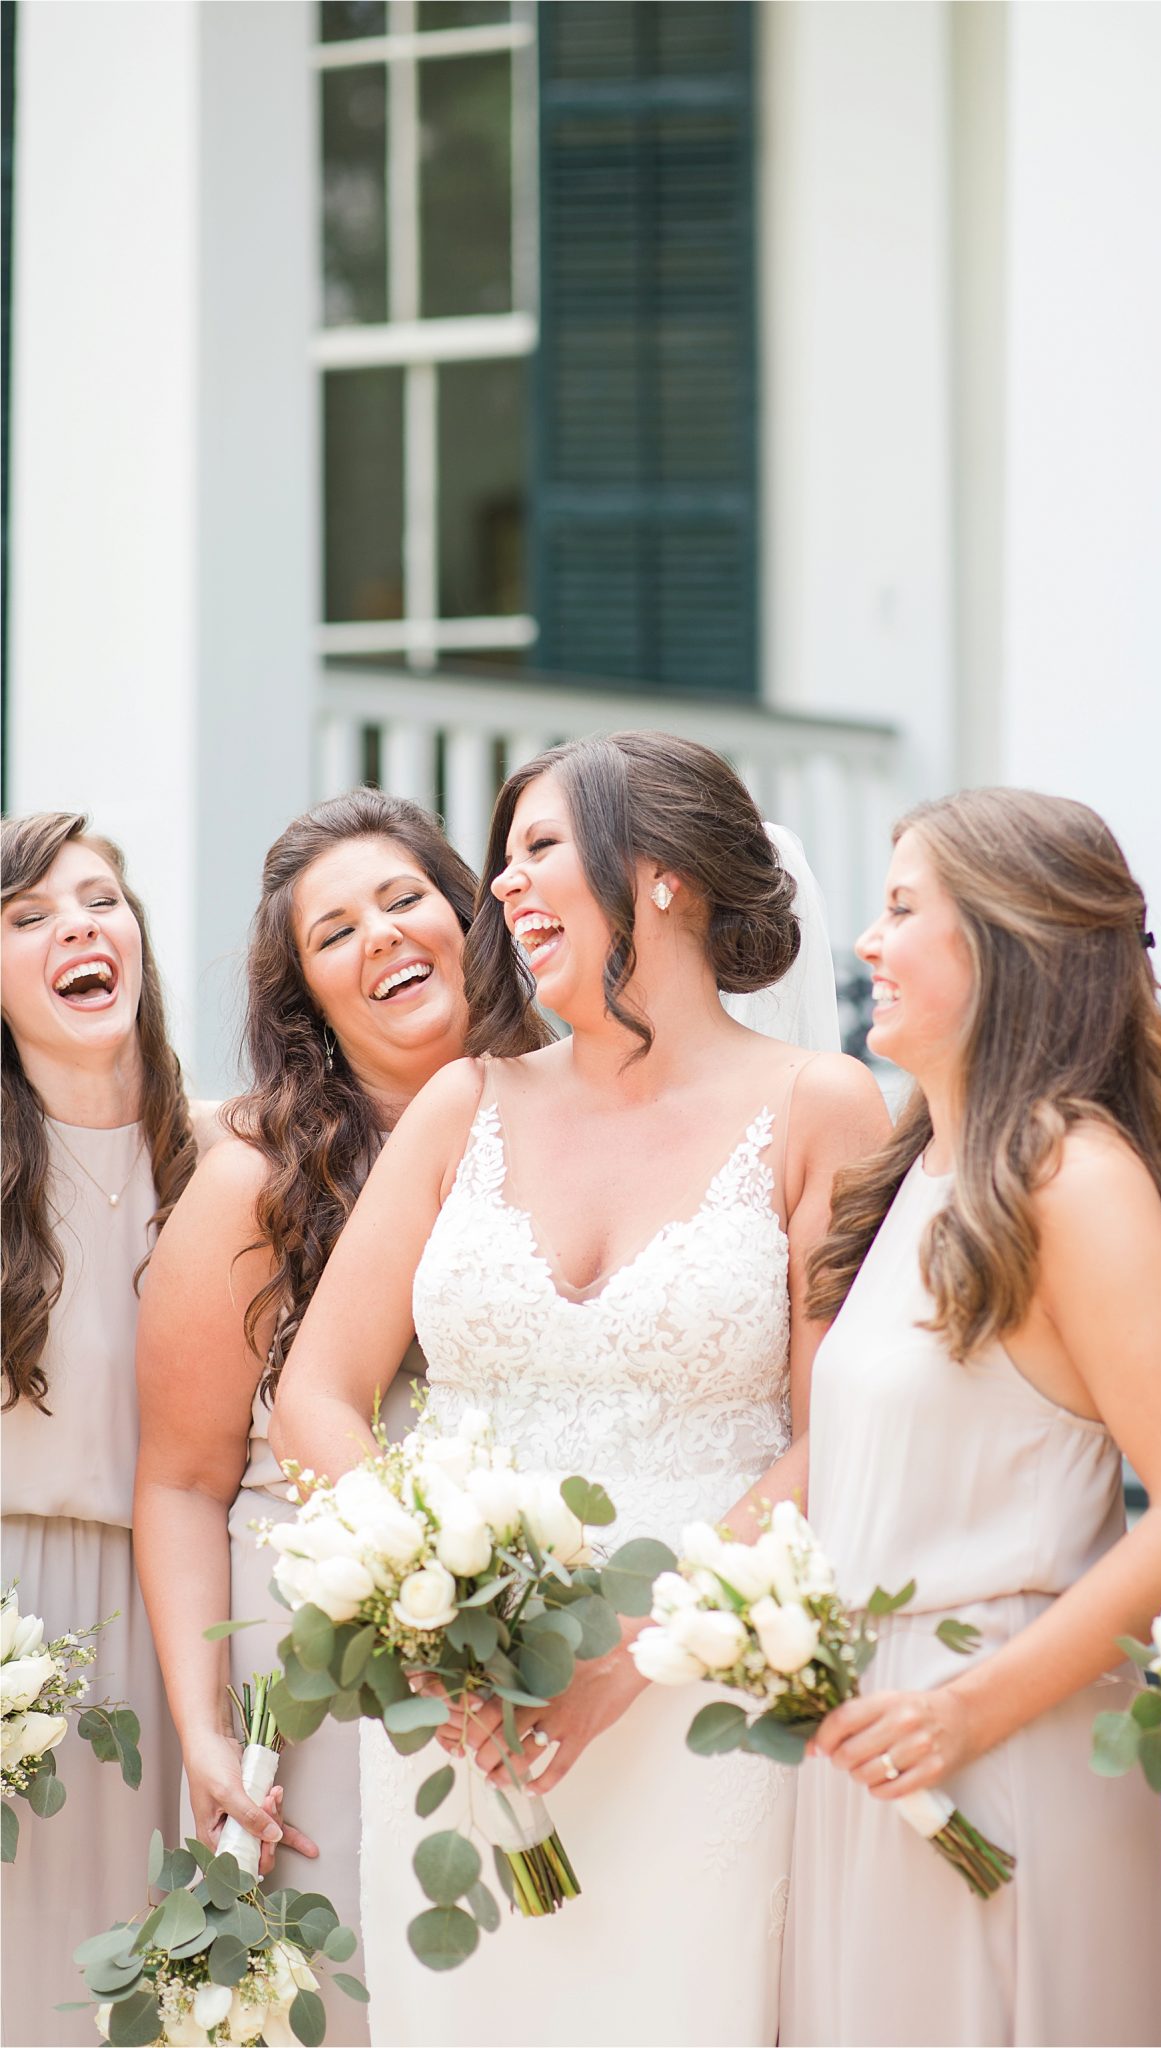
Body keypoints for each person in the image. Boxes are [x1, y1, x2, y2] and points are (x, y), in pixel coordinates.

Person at [272, 732, 890, 2046]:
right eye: (501, 859)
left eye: (539, 847)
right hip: (462, 1721)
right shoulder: (461, 1106)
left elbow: (840, 1437)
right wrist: (420, 1613)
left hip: (700, 1697)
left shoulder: (819, 1108)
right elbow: (318, 1392)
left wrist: (622, 1654)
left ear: (660, 874)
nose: (501, 886)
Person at [781, 787, 1161, 2047]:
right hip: (877, 1736)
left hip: (1001, 1736)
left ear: (1001, 938)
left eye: (898, 910)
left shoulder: (1072, 1177)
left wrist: (970, 1709)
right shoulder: (920, 1170)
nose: (867, 946)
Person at [134, 790, 542, 2044]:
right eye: (335, 930)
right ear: (305, 993)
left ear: (469, 915)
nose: (380, 934)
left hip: (533, 1641)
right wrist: (204, 1724)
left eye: (405, 897)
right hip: (316, 1662)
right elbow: (183, 1476)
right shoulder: (257, 1177)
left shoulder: (580, 1118)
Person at [2, 811, 196, 2044]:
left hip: (188, 1602)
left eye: (100, 900)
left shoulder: (232, 1150)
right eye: (26, 917)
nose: (77, 923)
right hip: (15, 1605)